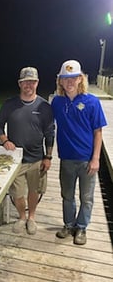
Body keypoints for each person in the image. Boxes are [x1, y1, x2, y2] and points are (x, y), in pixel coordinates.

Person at [51, 60, 107, 245]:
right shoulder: (57, 102)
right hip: (66, 159)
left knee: (87, 197)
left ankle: (81, 227)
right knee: (67, 195)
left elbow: (98, 132)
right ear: (60, 81)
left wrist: (96, 158)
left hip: (87, 160)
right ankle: (69, 224)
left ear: (80, 79)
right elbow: (43, 122)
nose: (70, 82)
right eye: (66, 78)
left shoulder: (92, 102)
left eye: (74, 78)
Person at [0, 66, 55, 234]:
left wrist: (48, 157)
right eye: (25, 82)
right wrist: (5, 141)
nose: (29, 85)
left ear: (37, 83)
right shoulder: (9, 104)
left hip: (37, 158)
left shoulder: (44, 106)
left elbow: (50, 132)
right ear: (19, 84)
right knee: (18, 193)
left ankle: (32, 218)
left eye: (32, 81)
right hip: (16, 160)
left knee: (34, 191)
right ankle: (22, 217)